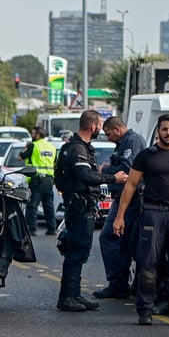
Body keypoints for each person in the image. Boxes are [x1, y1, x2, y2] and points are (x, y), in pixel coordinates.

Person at [112, 113, 169, 327]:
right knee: (148, 264)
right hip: (152, 214)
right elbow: (131, 185)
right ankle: (145, 310)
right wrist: (120, 217)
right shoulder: (146, 156)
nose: (168, 133)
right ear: (158, 131)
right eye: (164, 129)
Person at [54, 110, 105, 312]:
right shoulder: (77, 149)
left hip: (78, 203)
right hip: (79, 205)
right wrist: (112, 178)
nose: (100, 129)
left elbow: (58, 176)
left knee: (80, 251)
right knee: (76, 251)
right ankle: (67, 297)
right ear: (93, 126)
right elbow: (86, 176)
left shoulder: (74, 147)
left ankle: (74, 294)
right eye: (99, 125)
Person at [94, 116, 146, 298]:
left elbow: (127, 171)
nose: (108, 137)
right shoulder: (126, 142)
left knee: (108, 237)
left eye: (108, 133)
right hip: (125, 197)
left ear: (117, 128)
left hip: (130, 199)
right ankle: (122, 284)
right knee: (123, 242)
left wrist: (105, 170)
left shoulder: (131, 142)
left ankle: (117, 282)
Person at [18, 125, 57, 235]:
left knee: (32, 205)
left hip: (36, 180)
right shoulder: (52, 147)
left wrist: (26, 147)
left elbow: (20, 157)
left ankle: (32, 229)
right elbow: (55, 163)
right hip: (49, 180)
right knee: (48, 205)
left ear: (38, 135)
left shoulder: (33, 146)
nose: (31, 135)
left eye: (33, 133)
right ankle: (52, 228)